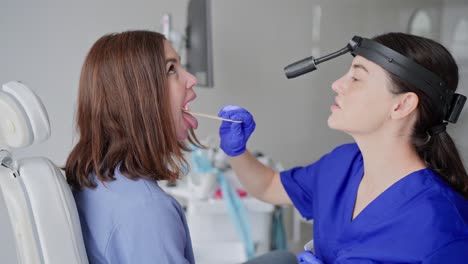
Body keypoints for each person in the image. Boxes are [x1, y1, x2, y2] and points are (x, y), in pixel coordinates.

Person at [219, 32, 468, 263]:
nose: (337, 84)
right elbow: (270, 187)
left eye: (356, 78)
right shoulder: (341, 165)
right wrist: (236, 151)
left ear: (402, 105)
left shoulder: (441, 224)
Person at [65, 30, 203, 263]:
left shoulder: (94, 176)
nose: (192, 79)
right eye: (171, 69)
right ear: (137, 98)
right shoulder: (148, 212)